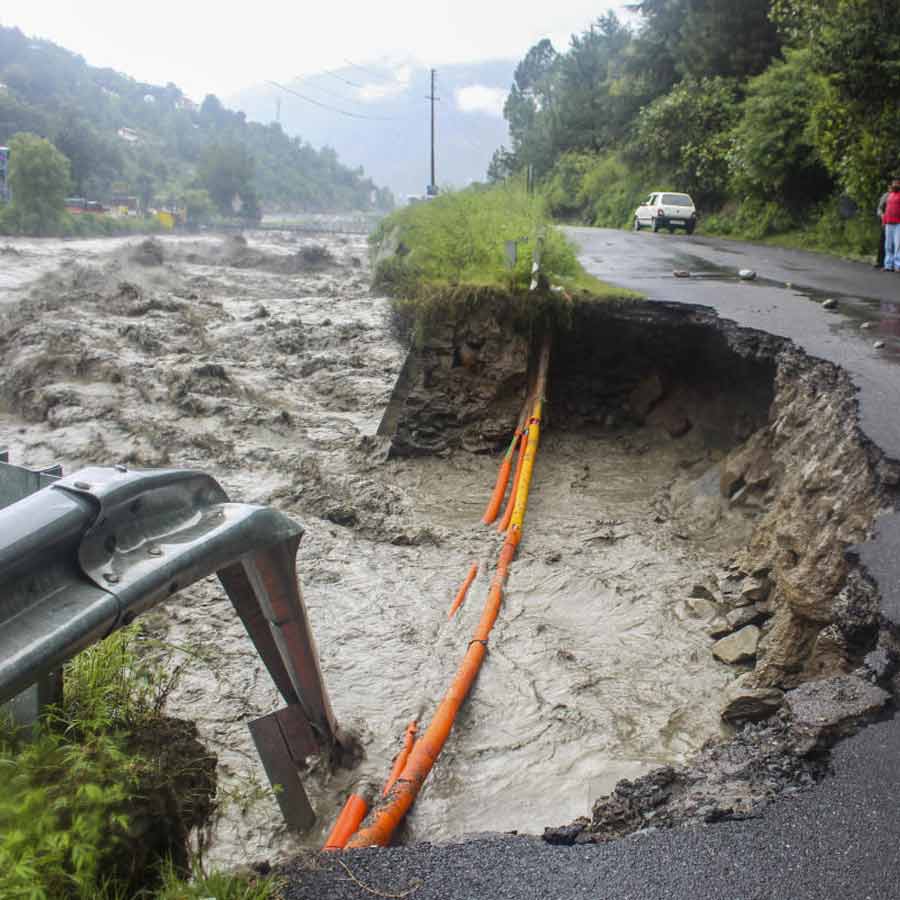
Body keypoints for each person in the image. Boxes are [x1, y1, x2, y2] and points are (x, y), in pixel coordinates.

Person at [883, 181, 900, 272]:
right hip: (889, 223)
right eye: (893, 184)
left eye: (897, 184)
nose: (894, 185)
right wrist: (884, 220)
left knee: (898, 245)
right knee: (888, 245)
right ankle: (888, 265)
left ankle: (898, 266)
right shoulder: (889, 195)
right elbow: (887, 208)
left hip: (898, 223)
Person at [876, 185, 891, 268]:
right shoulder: (885, 196)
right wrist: (882, 216)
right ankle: (880, 261)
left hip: (896, 222)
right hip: (886, 221)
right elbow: (879, 209)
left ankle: (891, 263)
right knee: (883, 240)